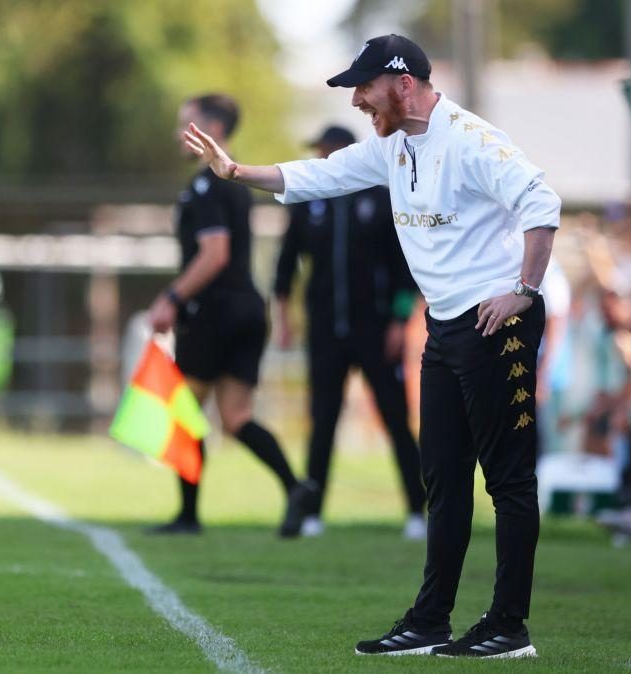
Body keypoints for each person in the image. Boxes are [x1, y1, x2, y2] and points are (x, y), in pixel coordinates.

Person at [183, 34, 560, 659]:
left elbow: (541, 202)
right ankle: (431, 621)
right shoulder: (393, 147)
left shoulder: (470, 138)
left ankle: (508, 625)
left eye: (364, 87)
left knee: (508, 481)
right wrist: (236, 171)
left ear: (403, 82)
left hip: (498, 324)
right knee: (441, 478)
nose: (357, 100)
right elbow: (319, 177)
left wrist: (522, 289)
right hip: (446, 326)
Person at [147, 93, 306, 537]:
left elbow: (214, 255)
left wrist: (172, 299)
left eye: (189, 123)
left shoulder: (207, 185)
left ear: (213, 130)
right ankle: (297, 487)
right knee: (235, 418)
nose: (182, 133)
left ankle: (188, 515)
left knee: (185, 408)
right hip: (247, 309)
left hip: (215, 311)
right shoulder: (235, 183)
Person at [272, 124, 427, 540]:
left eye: (327, 151)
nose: (322, 158)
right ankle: (312, 513)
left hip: (374, 330)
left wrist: (399, 321)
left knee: (395, 418)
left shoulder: (379, 199)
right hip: (325, 332)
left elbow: (403, 270)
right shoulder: (307, 205)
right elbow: (285, 267)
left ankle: (417, 510)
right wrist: (284, 319)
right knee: (322, 420)